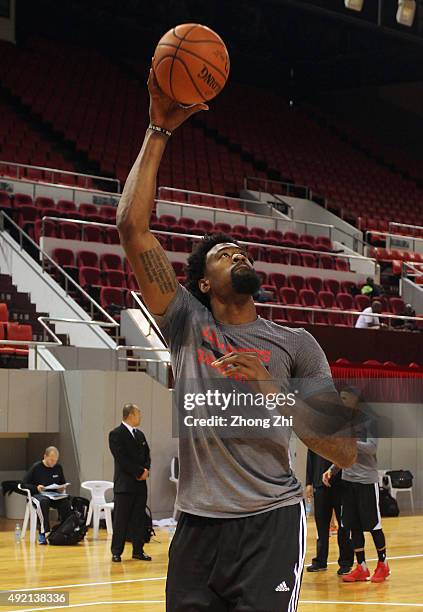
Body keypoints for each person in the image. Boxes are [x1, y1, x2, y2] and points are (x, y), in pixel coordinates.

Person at [116, 68, 356, 612]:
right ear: (202, 283)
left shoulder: (297, 343)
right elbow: (132, 230)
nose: (239, 253)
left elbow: (345, 447)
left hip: (270, 523)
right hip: (197, 529)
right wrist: (158, 131)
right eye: (224, 254)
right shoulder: (186, 323)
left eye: (242, 249)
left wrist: (273, 388)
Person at [322, 386, 390, 583]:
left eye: (344, 398)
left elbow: (372, 447)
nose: (341, 402)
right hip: (348, 481)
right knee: (353, 526)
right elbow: (344, 452)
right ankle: (361, 567)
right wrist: (332, 470)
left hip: (366, 481)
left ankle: (382, 565)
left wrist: (349, 441)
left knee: (374, 525)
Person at [109, 403, 151, 563]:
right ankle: (116, 551)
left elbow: (147, 454)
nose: (140, 416)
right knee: (121, 519)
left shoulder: (140, 435)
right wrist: (139, 472)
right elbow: (121, 458)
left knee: (139, 518)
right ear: (131, 415)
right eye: (138, 413)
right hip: (125, 485)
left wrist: (146, 469)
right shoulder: (116, 434)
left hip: (140, 485)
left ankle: (138, 550)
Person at [305, 449, 353, 575]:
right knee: (321, 525)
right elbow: (310, 458)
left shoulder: (341, 433)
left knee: (344, 526)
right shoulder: (315, 434)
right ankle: (320, 561)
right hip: (319, 485)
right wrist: (309, 482)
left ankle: (346, 562)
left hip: (341, 484)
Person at [22, 446, 71, 545]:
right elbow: (23, 484)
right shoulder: (36, 467)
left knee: (66, 502)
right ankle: (43, 532)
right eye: (51, 460)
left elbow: (62, 483)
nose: (54, 462)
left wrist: (61, 488)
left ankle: (64, 531)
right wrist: (36, 487)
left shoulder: (58, 468)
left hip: (53, 495)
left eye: (55, 460)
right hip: (37, 495)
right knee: (43, 502)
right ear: (45, 456)